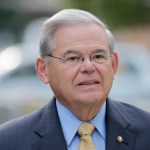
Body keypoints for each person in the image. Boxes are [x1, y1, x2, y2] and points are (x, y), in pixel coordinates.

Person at [0, 9, 150, 150]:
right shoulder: (9, 141)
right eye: (73, 58)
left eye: (98, 56)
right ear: (43, 70)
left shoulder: (146, 130)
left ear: (113, 65)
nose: (88, 67)